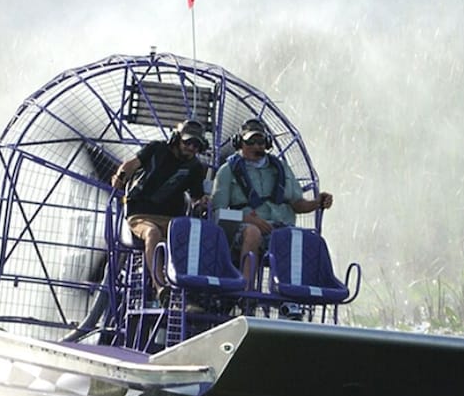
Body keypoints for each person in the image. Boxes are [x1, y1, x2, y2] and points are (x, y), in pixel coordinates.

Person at [211, 118, 333, 286]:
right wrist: (247, 219)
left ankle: (291, 298)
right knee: (253, 232)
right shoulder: (227, 171)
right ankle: (246, 292)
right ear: (239, 143)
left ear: (267, 143)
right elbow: (218, 212)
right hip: (243, 230)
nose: (256, 146)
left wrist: (317, 203)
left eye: (261, 142)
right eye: (251, 142)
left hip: (280, 228)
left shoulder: (281, 168)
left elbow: (297, 204)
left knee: (300, 237)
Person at [111, 119, 208, 304]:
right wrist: (120, 177)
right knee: (152, 233)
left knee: (195, 237)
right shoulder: (156, 149)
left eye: (197, 144)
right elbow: (130, 165)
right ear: (176, 139)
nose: (192, 148)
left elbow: (197, 196)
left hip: (172, 220)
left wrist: (203, 201)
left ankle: (192, 293)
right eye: (188, 142)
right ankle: (160, 286)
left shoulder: (195, 167)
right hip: (140, 214)